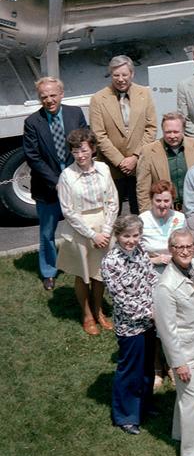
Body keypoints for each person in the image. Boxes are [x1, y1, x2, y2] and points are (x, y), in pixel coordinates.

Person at [153, 226, 194, 456]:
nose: (185, 251)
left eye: (189, 246)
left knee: (190, 396)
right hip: (184, 352)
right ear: (170, 250)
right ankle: (191, 454)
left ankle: (185, 434)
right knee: (193, 398)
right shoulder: (166, 286)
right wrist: (177, 363)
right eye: (179, 247)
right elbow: (167, 330)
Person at [24, 76, 88, 291]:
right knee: (47, 233)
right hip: (47, 187)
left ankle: (83, 264)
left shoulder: (75, 113)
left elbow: (85, 143)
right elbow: (33, 157)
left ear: (61, 94)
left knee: (81, 227)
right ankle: (49, 272)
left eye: (53, 95)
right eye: (44, 97)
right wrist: (57, 182)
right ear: (39, 98)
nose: (49, 100)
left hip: (77, 182)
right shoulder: (32, 122)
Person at [57, 128, 120, 334]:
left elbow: (113, 201)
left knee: (99, 273)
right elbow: (67, 211)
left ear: (93, 149)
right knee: (83, 273)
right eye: (75, 151)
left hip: (104, 227)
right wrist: (92, 235)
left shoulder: (103, 168)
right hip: (80, 229)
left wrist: (107, 231)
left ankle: (99, 310)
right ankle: (87, 315)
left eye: (84, 150)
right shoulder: (67, 176)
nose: (80, 155)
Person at [100, 215, 157, 435]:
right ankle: (125, 416)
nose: (131, 240)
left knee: (146, 368)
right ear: (117, 235)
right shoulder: (110, 262)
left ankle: (144, 405)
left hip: (150, 322)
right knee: (130, 371)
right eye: (126, 236)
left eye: (135, 235)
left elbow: (151, 277)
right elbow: (121, 300)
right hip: (130, 327)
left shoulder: (140, 250)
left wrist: (158, 303)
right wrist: (150, 313)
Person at [88, 55, 156, 214]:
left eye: (124, 74)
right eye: (116, 75)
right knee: (112, 215)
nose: (120, 79)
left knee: (142, 213)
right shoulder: (98, 99)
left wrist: (135, 157)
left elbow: (151, 128)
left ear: (132, 74)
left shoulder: (144, 94)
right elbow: (99, 135)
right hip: (112, 169)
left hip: (140, 165)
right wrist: (120, 161)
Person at [138, 112, 194, 214]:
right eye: (168, 132)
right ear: (162, 131)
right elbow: (143, 189)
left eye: (176, 132)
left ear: (183, 130)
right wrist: (147, 215)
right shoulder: (148, 151)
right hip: (164, 210)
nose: (172, 136)